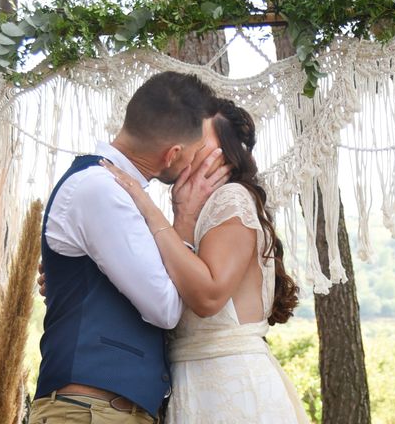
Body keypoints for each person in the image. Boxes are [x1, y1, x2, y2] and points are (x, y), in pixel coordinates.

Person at [29, 71, 231, 424]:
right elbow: (166, 308)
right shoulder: (101, 190)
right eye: (196, 153)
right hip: (90, 411)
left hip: (106, 411)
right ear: (172, 154)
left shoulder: (116, 192)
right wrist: (182, 221)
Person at [101, 97, 310, 424]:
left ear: (226, 154)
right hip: (197, 388)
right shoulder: (198, 214)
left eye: (199, 139)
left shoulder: (231, 199)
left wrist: (147, 206)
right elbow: (157, 288)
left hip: (233, 393)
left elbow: (208, 295)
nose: (186, 146)